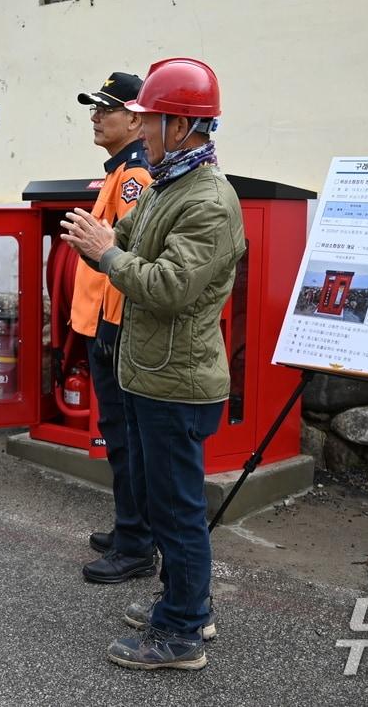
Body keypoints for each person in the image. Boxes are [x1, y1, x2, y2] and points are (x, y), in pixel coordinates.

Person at [60, 57, 244, 672]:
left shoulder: (210, 201)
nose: (141, 130)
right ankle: (186, 601)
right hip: (151, 371)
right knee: (165, 498)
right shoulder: (170, 182)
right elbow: (127, 237)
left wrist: (105, 251)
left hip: (177, 380)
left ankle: (183, 631)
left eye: (151, 120)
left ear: (184, 126)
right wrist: (101, 240)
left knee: (176, 507)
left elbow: (168, 285)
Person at [70, 72, 156, 585]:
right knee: (119, 436)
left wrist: (111, 322)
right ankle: (130, 529)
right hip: (101, 324)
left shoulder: (133, 179)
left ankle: (136, 544)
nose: (96, 117)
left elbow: (128, 257)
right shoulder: (117, 172)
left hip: (114, 327)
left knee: (125, 439)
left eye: (106, 109)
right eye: (94, 109)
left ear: (136, 117)